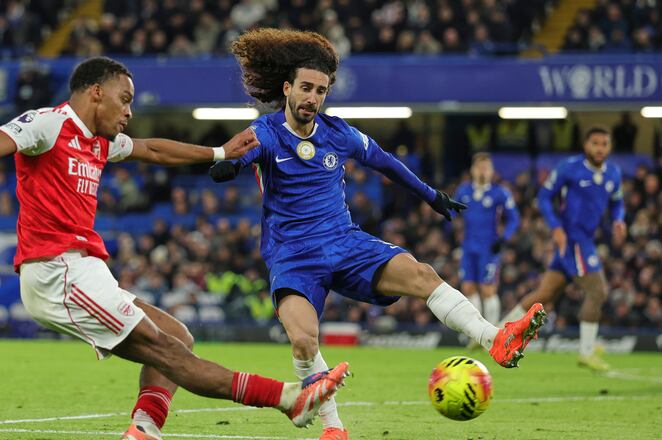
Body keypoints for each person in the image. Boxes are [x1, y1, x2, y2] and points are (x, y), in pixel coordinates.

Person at [0, 56, 349, 440]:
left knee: (177, 336)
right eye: (125, 99)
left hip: (85, 269)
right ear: (95, 93)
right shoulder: (48, 124)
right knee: (168, 353)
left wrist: (218, 153)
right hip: (57, 271)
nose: (129, 111)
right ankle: (287, 398)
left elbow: (152, 149)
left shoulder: (99, 142)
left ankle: (144, 428)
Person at [210, 28, 546, 440]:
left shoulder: (339, 133)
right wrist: (229, 165)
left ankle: (496, 338)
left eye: (320, 90)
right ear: (287, 88)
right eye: (306, 88)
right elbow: (240, 153)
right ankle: (333, 428)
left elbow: (386, 162)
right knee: (303, 341)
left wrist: (432, 196)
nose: (312, 97)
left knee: (422, 274)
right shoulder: (266, 132)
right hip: (293, 256)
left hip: (344, 242)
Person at [500, 127, 625, 372]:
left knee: (545, 294)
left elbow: (617, 201)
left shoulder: (613, 173)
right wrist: (556, 227)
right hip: (573, 239)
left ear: (610, 147)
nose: (600, 148)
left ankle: (496, 333)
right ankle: (586, 352)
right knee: (597, 290)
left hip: (584, 239)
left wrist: (619, 219)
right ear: (586, 145)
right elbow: (544, 197)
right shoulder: (569, 167)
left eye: (604, 144)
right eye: (595, 143)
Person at [453, 153, 519, 337]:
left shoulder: (500, 193)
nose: (482, 171)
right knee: (468, 289)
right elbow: (451, 213)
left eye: (486, 168)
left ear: (492, 171)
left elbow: (514, 218)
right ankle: (476, 333)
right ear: (472, 170)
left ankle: (492, 333)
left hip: (489, 249)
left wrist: (503, 238)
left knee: (488, 289)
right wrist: (451, 229)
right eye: (479, 168)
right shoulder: (463, 191)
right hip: (468, 247)